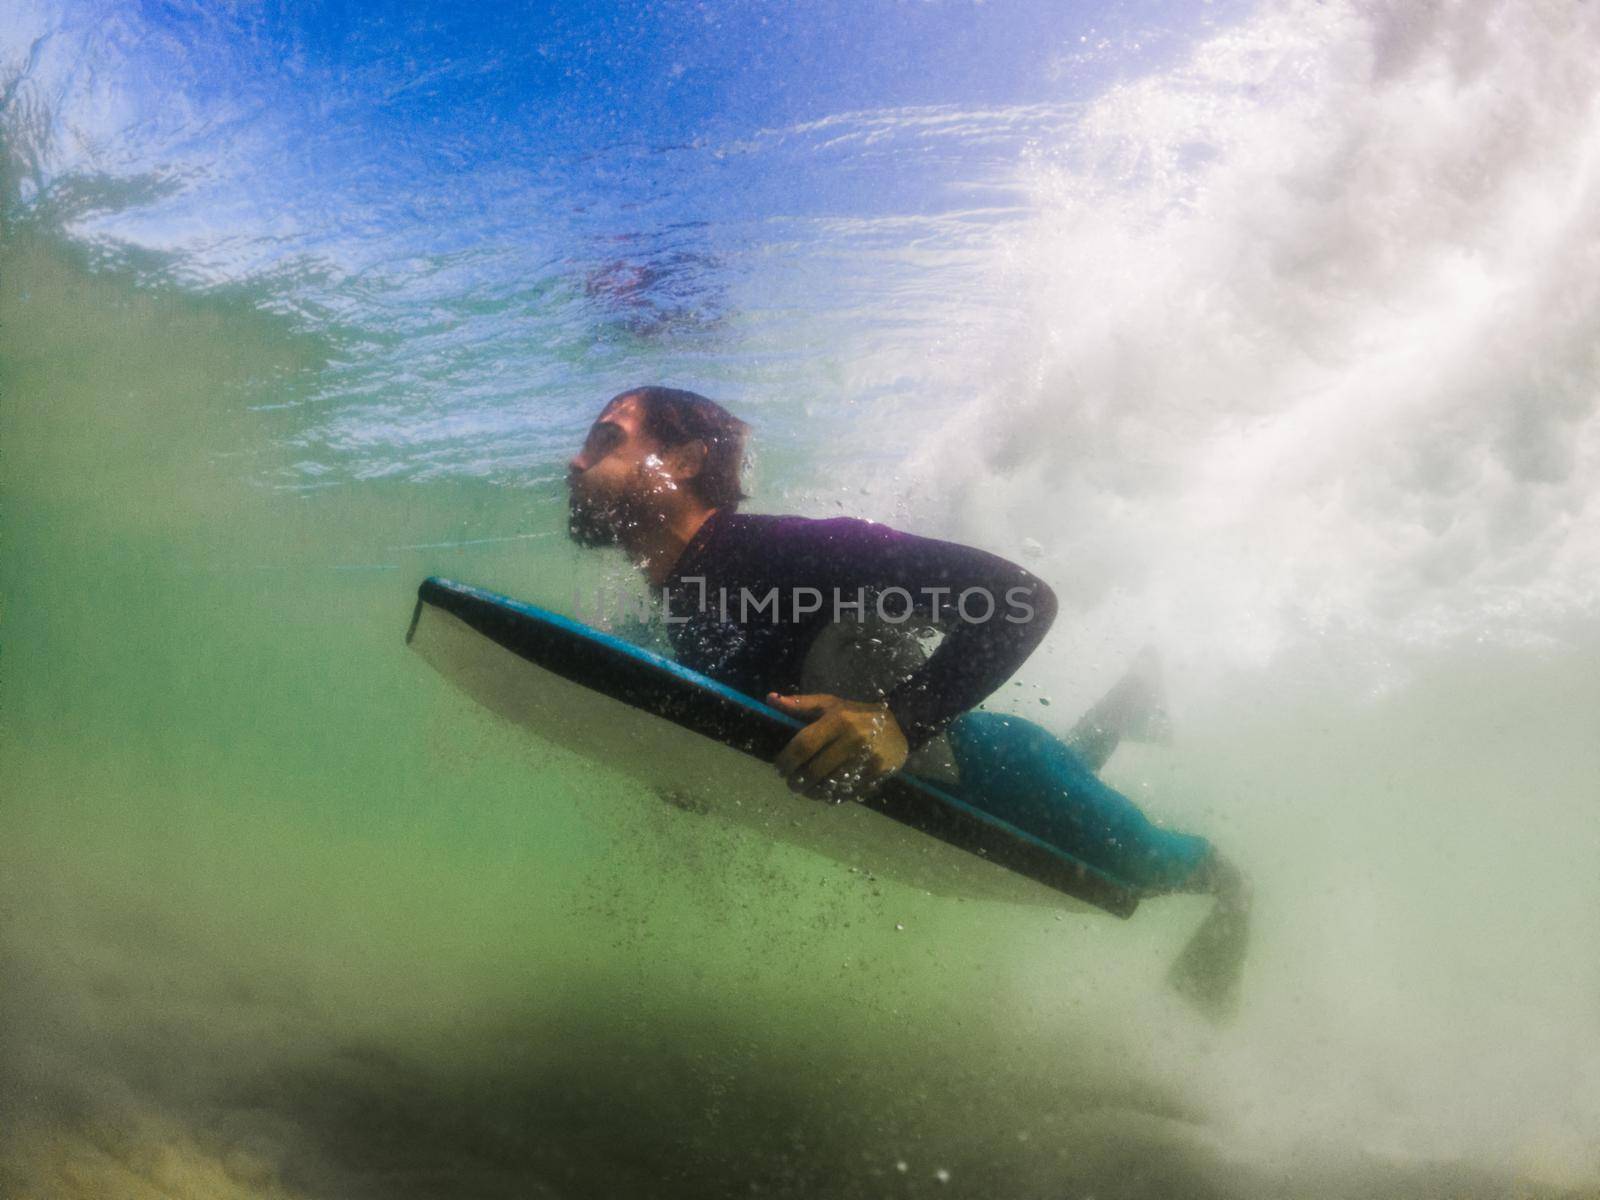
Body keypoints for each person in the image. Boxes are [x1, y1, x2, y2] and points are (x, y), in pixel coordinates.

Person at [565, 385, 1249, 1017]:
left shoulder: (776, 553)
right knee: (1072, 771)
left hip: (1003, 776)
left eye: (604, 439)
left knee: (1159, 865)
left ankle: (1236, 897)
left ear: (681, 461)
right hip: (991, 760)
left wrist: (898, 721)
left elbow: (1019, 602)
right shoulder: (675, 596)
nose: (575, 459)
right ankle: (1131, 701)